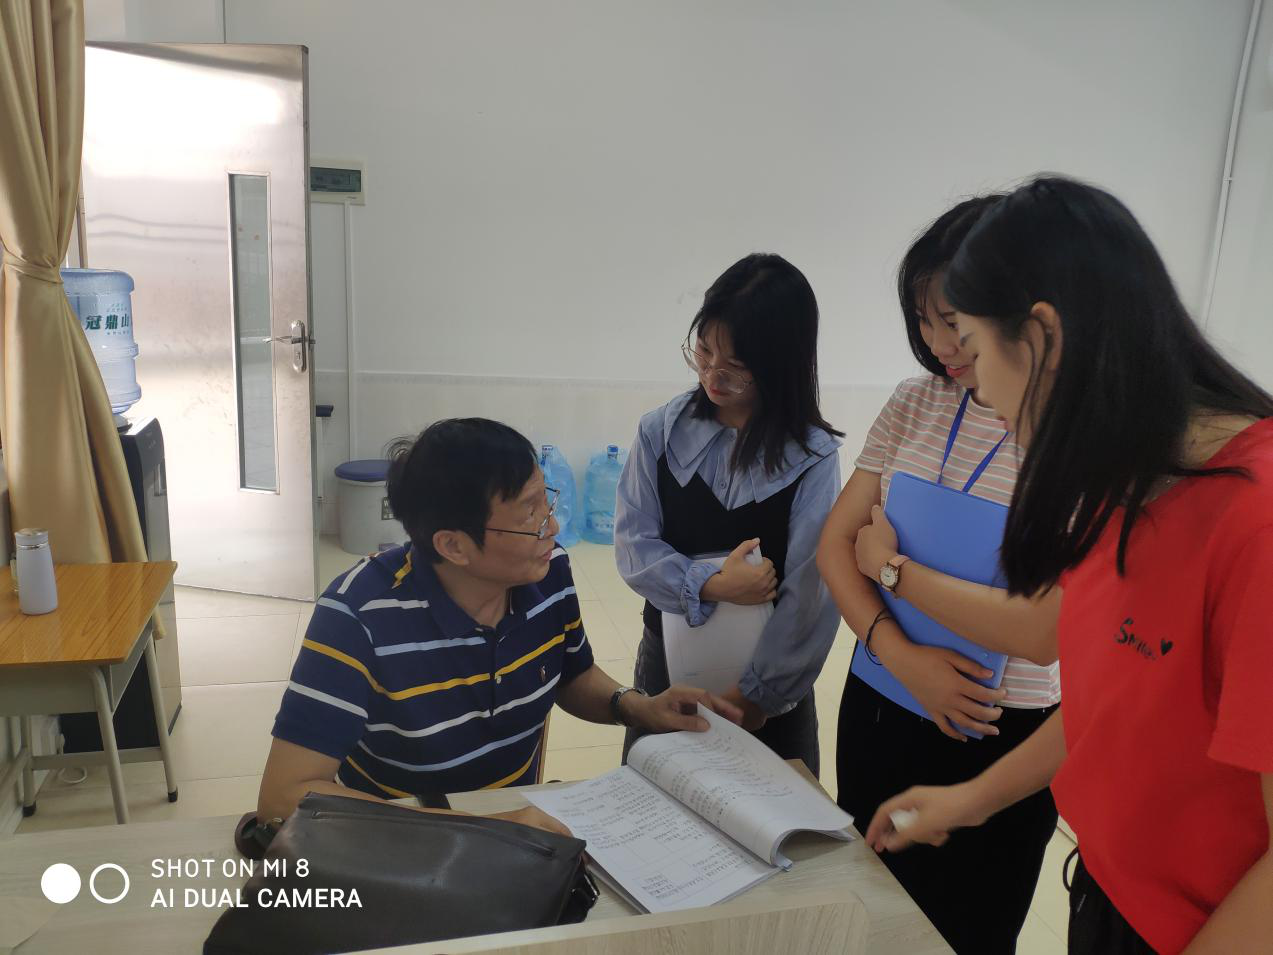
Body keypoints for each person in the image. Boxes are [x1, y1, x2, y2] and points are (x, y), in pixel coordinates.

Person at [866, 177, 1273, 955]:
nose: (976, 386)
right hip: (1109, 893)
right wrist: (970, 799)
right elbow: (1106, 702)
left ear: (1041, 337)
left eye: (973, 346)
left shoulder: (1254, 521)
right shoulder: (1122, 486)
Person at [257, 418, 741, 832]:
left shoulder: (549, 573)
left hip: (517, 827)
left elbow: (570, 675)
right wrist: (486, 831)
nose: (552, 526)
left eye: (546, 501)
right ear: (453, 546)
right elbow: (284, 796)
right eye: (530, 513)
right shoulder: (356, 616)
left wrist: (638, 707)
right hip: (404, 845)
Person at [816, 196, 1062, 954]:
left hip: (997, 726)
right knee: (866, 908)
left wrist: (892, 570)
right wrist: (900, 654)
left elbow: (1044, 630)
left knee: (967, 930)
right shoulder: (913, 403)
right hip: (882, 697)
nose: (940, 343)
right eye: (922, 321)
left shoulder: (1065, 431)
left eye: (954, 321)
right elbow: (835, 545)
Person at [614, 252, 843, 775]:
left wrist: (757, 696)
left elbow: (812, 591)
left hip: (771, 682)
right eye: (704, 350)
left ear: (781, 365)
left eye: (736, 365)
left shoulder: (813, 456)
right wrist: (713, 584)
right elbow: (634, 547)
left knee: (774, 809)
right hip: (668, 666)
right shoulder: (660, 431)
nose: (712, 374)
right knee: (658, 800)